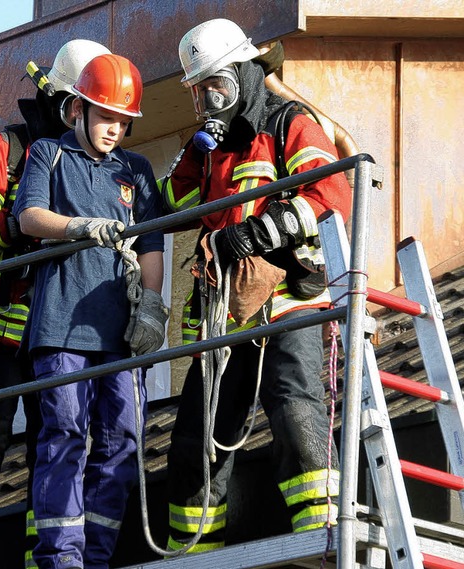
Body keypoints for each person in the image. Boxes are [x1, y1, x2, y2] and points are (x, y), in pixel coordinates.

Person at [160, 18, 352, 553]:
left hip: (289, 302)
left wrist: (255, 234)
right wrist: (190, 153)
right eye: (199, 92)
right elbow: (172, 204)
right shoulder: (211, 150)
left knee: (294, 412)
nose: (207, 101)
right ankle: (192, 554)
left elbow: (331, 197)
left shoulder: (290, 122)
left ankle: (321, 536)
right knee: (196, 440)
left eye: (215, 86)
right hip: (224, 314)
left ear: (244, 74)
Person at [0, 39, 111, 569]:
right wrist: (20, 223)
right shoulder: (4, 150)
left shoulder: (93, 165)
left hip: (52, 332)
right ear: (60, 102)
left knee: (54, 450)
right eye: (77, 107)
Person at [13, 53, 167, 569]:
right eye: (106, 116)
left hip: (119, 334)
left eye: (124, 120)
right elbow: (28, 217)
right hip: (60, 330)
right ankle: (63, 561)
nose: (114, 129)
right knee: (65, 438)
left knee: (123, 441)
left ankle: (94, 558)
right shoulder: (47, 155)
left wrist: (149, 307)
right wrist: (78, 227)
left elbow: (151, 245)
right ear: (77, 109)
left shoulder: (136, 170)